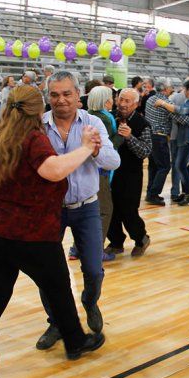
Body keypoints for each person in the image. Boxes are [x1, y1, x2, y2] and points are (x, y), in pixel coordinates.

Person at [0, 85, 104, 377]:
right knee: (58, 286)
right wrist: (87, 148)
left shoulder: (1, 133)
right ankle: (76, 341)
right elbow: (53, 170)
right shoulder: (33, 138)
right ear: (39, 110)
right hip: (27, 232)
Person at [31, 72, 120, 351]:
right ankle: (56, 321)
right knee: (48, 272)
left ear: (78, 94)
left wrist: (93, 150)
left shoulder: (93, 123)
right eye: (55, 94)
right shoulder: (38, 125)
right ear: (48, 96)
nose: (61, 100)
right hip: (50, 210)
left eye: (67, 93)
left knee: (94, 269)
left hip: (87, 207)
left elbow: (113, 160)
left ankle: (90, 301)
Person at [105, 88, 152, 257]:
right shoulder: (111, 117)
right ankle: (116, 242)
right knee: (110, 209)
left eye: (127, 101)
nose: (123, 104)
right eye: (121, 99)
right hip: (110, 173)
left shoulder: (142, 123)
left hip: (131, 174)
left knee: (128, 210)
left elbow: (145, 151)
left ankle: (141, 238)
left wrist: (130, 137)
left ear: (136, 104)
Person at [81, 85, 123, 262]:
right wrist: (122, 135)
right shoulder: (104, 119)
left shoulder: (87, 115)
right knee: (104, 211)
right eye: (111, 98)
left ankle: (78, 248)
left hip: (88, 170)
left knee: (86, 211)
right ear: (106, 101)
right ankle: (96, 251)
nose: (114, 101)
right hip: (100, 170)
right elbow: (108, 147)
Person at [156, 79, 189, 206]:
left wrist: (163, 103)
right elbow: (181, 116)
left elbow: (180, 111)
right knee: (181, 166)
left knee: (181, 166)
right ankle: (186, 193)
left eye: (184, 89)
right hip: (184, 138)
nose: (183, 91)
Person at [144, 77, 175, 205]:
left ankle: (150, 192)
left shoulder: (150, 99)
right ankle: (153, 194)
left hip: (149, 136)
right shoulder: (166, 102)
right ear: (166, 89)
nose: (172, 89)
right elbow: (179, 118)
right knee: (165, 166)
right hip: (160, 137)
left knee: (153, 166)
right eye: (171, 87)